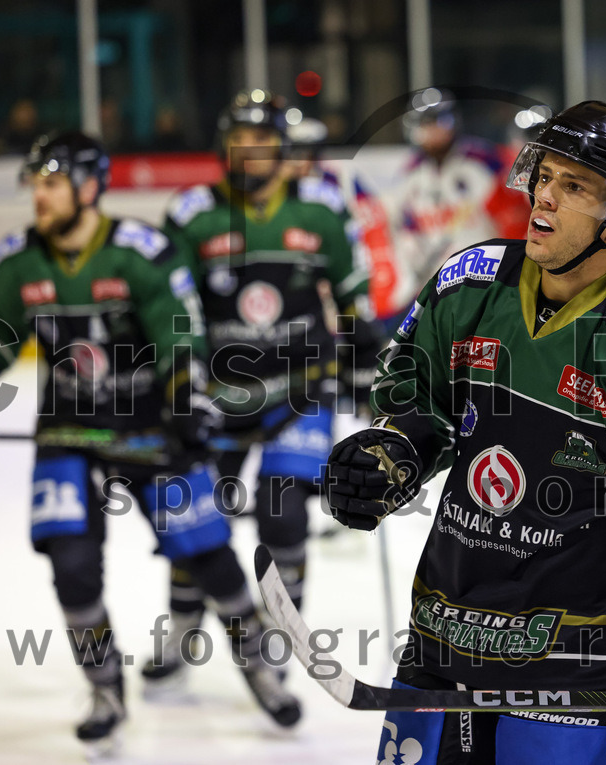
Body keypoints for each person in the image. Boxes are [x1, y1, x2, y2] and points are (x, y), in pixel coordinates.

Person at [323, 101, 606, 763]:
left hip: (582, 665)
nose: (545, 198)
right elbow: (418, 405)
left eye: (575, 186)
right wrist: (391, 451)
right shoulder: (467, 286)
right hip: (445, 637)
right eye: (545, 175)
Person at [0, 131, 300, 749]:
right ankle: (105, 687)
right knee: (71, 567)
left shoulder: (142, 253)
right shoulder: (15, 260)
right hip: (69, 433)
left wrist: (188, 407)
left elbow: (179, 340)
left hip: (149, 430)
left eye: (52, 184)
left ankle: (260, 667)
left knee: (210, 556)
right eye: (37, 185)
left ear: (88, 187)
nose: (40, 197)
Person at [141, 89, 380, 704]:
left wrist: (367, 361)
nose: (250, 152)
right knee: (195, 517)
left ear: (282, 148)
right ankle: (184, 631)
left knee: (283, 512)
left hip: (300, 390)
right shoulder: (192, 213)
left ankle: (278, 640)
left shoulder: (322, 210)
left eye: (262, 141)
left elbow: (354, 296)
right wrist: (176, 382)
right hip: (217, 396)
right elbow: (172, 308)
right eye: (238, 141)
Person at [387, 88, 531, 322]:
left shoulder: (484, 163)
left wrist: (513, 275)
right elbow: (402, 232)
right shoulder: (410, 176)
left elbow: (515, 223)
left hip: (489, 283)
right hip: (438, 288)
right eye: (426, 125)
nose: (433, 132)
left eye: (440, 122)